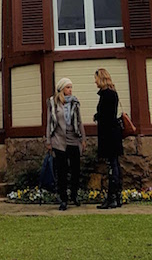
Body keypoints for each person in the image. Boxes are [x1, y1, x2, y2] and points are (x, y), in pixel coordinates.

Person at [46, 77, 86, 210]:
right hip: (59, 139)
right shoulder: (53, 102)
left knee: (75, 170)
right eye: (68, 87)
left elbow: (79, 121)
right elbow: (49, 123)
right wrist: (48, 141)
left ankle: (74, 195)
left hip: (73, 139)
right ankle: (63, 199)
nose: (70, 90)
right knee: (61, 171)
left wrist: (83, 139)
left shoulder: (75, 102)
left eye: (71, 87)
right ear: (62, 89)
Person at [94, 67, 124, 209]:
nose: (95, 82)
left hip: (109, 134)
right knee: (115, 164)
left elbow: (105, 116)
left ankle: (112, 197)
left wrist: (97, 116)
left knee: (112, 165)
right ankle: (117, 196)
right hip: (114, 133)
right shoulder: (113, 93)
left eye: (96, 78)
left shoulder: (106, 95)